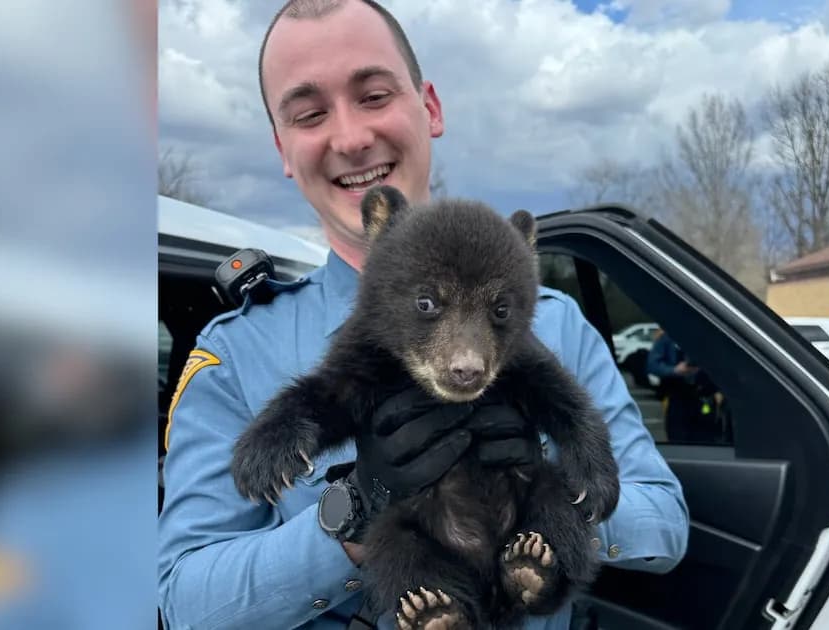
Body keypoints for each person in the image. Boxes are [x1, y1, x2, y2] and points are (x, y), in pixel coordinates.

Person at [157, 1, 689, 628]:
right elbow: (183, 601)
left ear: (429, 107)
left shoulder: (555, 324)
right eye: (309, 113)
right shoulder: (236, 355)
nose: (351, 138)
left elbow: (664, 524)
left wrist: (548, 485)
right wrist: (353, 511)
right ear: (282, 146)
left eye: (375, 95)